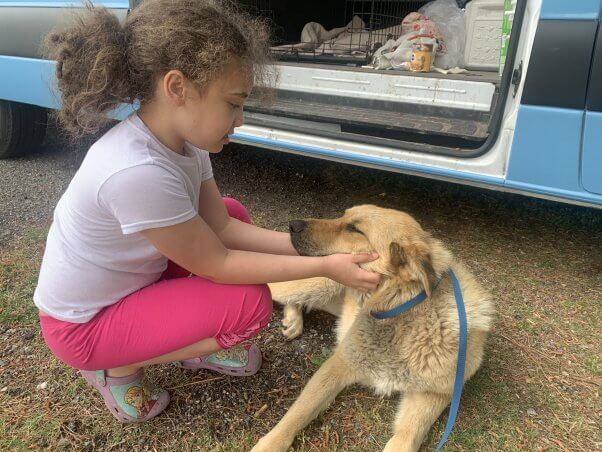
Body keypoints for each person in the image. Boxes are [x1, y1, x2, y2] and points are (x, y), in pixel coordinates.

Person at [35, 0, 380, 423]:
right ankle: (114, 368)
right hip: (83, 327)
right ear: (177, 88)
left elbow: (221, 224)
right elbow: (219, 263)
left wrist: (312, 250)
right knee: (250, 305)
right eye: (233, 103)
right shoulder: (135, 171)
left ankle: (173, 336)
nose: (240, 119)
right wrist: (326, 267)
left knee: (231, 211)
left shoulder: (183, 144)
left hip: (126, 286)